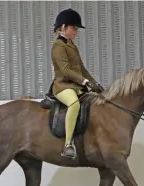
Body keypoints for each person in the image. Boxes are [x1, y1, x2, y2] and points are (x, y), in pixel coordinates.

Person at [50, 8, 104, 160]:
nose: (75, 31)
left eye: (76, 29)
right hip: (62, 86)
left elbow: (82, 69)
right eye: (73, 28)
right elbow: (66, 71)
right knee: (74, 104)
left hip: (76, 86)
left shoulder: (71, 45)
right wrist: (85, 82)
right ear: (63, 27)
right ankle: (68, 144)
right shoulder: (58, 47)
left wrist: (94, 83)